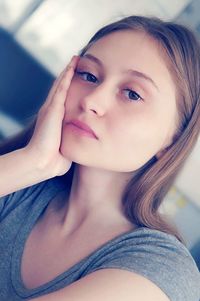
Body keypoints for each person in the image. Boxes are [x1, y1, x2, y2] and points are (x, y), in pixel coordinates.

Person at [0, 15, 200, 301]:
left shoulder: (160, 269)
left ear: (173, 140)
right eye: (89, 76)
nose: (92, 101)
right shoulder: (17, 186)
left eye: (132, 94)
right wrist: (31, 162)